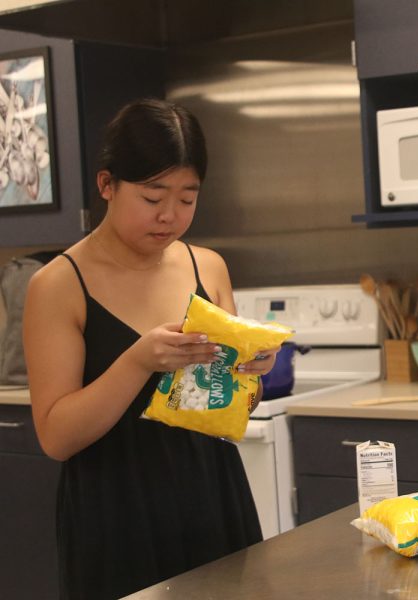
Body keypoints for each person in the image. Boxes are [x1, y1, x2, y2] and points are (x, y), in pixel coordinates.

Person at [23, 99, 276, 599]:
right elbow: (56, 436)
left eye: (187, 198)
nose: (169, 216)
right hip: (115, 513)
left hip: (212, 497)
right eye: (152, 196)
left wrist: (252, 372)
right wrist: (138, 361)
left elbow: (236, 405)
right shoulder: (58, 284)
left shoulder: (209, 267)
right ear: (106, 186)